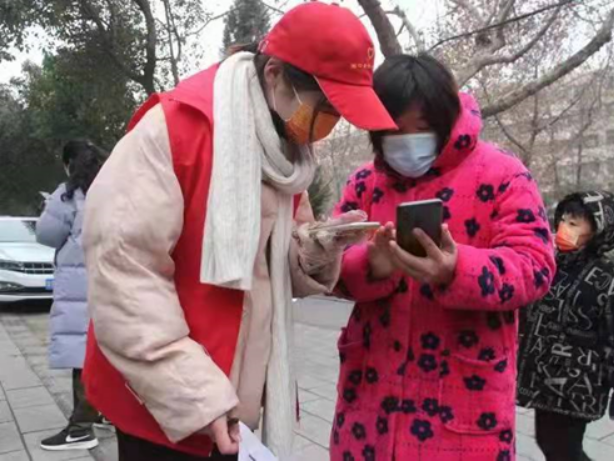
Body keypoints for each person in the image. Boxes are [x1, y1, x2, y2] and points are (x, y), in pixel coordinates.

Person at [81, 3, 397, 461]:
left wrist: (322, 244)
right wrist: (198, 398)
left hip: (238, 405)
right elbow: (123, 274)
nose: (328, 126)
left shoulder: (288, 155)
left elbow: (281, 259)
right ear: (275, 74)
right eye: (325, 107)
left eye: (339, 114)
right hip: (164, 404)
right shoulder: (177, 128)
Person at [330, 54, 556, 462]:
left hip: (462, 406)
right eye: (392, 130)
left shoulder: (503, 174)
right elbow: (328, 264)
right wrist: (371, 266)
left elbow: (535, 265)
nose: (406, 140)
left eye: (421, 128)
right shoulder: (364, 183)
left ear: (445, 119)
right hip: (369, 407)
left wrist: (456, 270)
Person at [517, 192, 614, 462]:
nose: (564, 228)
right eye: (563, 220)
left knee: (562, 449)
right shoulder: (551, 263)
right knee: (548, 442)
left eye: (574, 223)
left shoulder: (609, 278)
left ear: (599, 230)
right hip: (542, 379)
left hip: (578, 384)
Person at [36, 140, 109, 451]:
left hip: (80, 286)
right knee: (109, 351)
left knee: (83, 354)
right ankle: (107, 412)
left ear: (69, 164)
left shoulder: (68, 195)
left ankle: (80, 429)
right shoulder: (116, 188)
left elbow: (46, 235)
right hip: (114, 282)